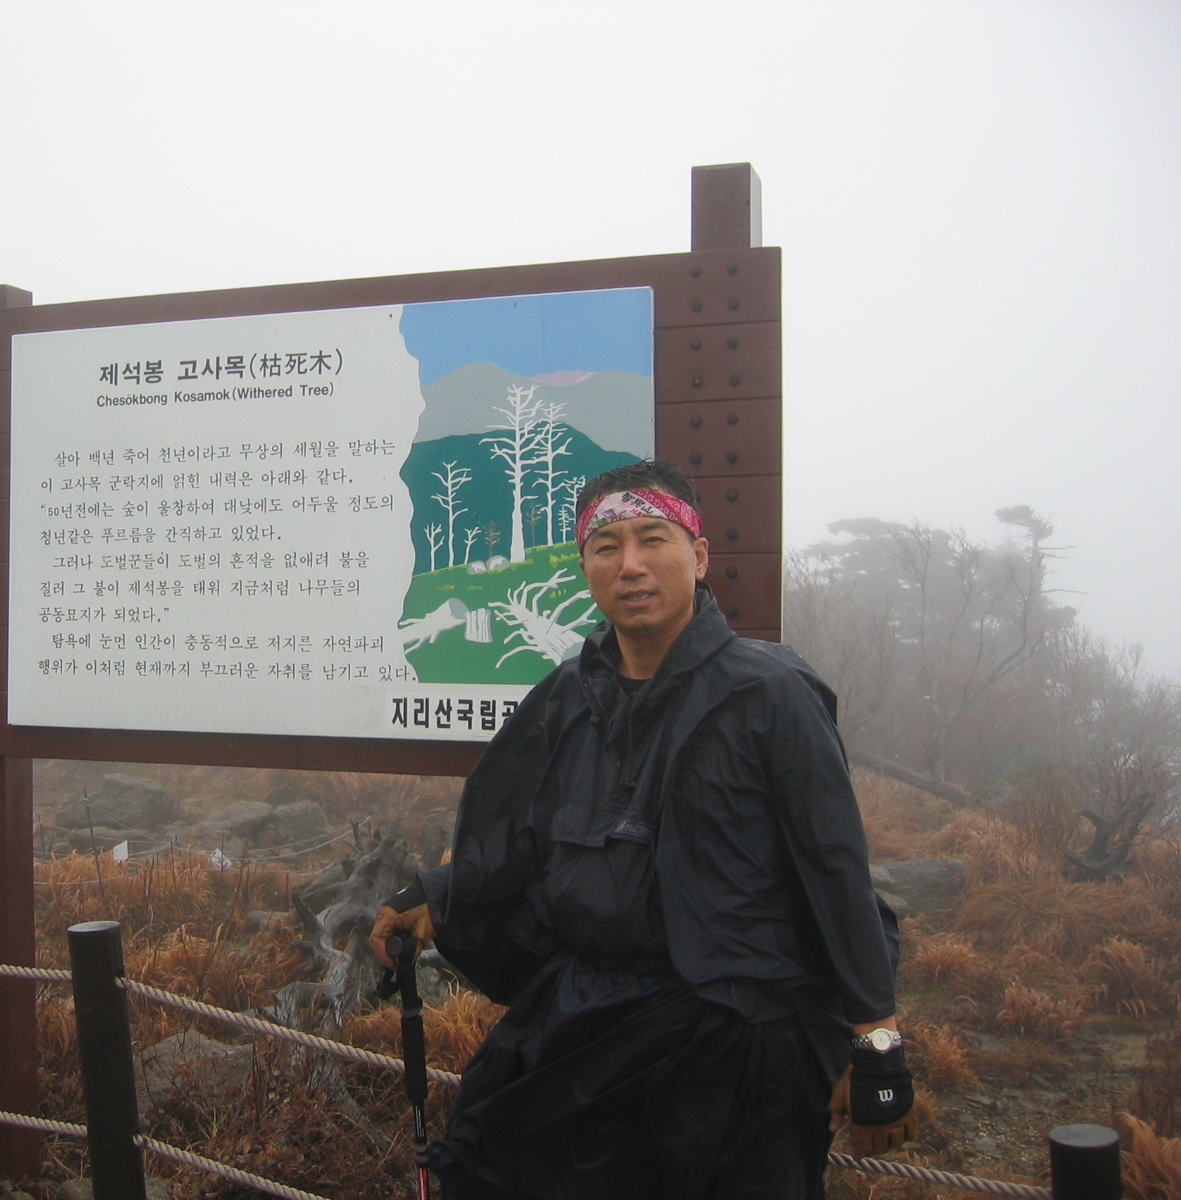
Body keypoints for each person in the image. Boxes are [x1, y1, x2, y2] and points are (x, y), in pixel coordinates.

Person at [371, 461, 917, 1200]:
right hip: (589, 1017)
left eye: (652, 539)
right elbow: (520, 835)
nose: (630, 564)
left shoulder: (771, 696)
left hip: (742, 1041)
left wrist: (877, 1045)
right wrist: (433, 894)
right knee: (489, 1159)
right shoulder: (571, 694)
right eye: (606, 546)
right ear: (585, 566)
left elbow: (836, 873)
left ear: (698, 556)